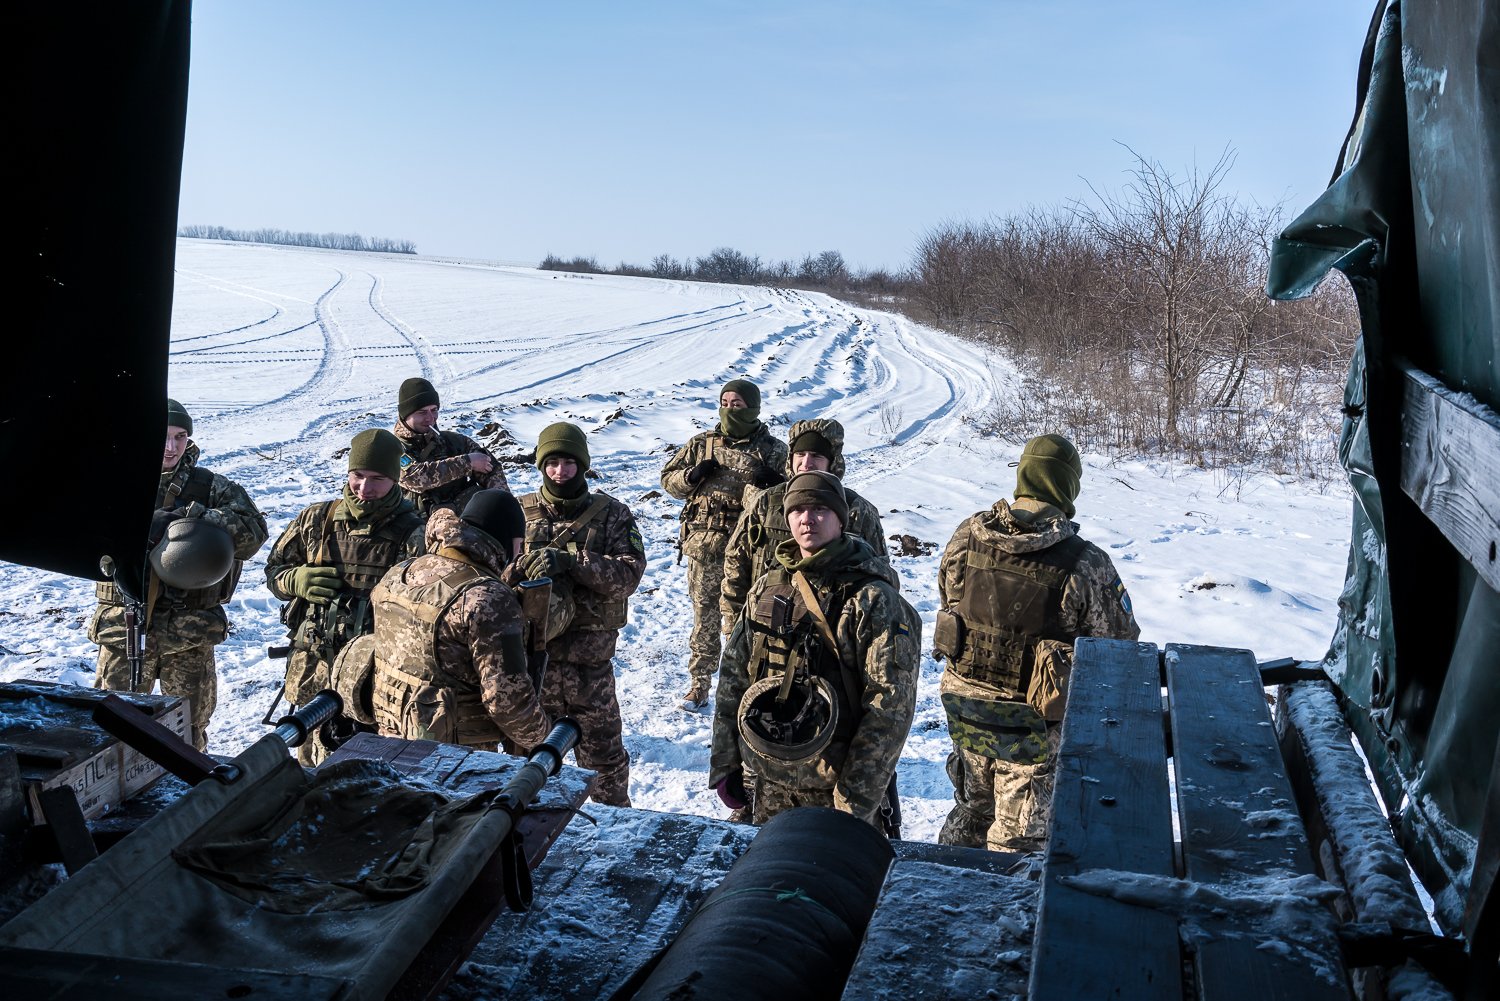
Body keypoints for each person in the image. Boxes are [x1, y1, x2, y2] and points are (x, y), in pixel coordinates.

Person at [934, 434, 1140, 853]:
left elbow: (948, 598)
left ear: (1023, 475)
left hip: (966, 710)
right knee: (1018, 840)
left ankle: (939, 882)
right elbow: (1119, 646)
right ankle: (1005, 914)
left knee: (972, 810)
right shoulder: (1086, 562)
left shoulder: (968, 536)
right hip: (1032, 725)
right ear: (1068, 487)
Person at [709, 471, 921, 830]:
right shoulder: (769, 585)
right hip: (767, 778)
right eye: (798, 510)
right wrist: (725, 761)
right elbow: (734, 673)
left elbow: (889, 711)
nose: (807, 519)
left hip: (834, 788)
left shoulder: (873, 600)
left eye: (821, 509)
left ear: (841, 518)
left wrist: (854, 800)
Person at [90, 399, 268, 750]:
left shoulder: (212, 488)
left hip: (190, 632)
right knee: (109, 730)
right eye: (164, 436)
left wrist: (193, 519)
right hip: (126, 628)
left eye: (180, 436)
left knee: (188, 733)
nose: (171, 447)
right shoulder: (115, 482)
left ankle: (189, 796)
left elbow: (253, 535)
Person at [503, 422, 646, 807]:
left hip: (591, 668)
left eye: (568, 463)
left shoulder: (613, 514)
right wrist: (521, 569)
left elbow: (628, 575)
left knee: (606, 768)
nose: (560, 472)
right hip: (534, 667)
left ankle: (617, 837)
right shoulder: (519, 512)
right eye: (552, 463)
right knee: (526, 768)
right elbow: (492, 575)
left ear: (582, 465)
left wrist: (571, 562)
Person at [264, 429, 426, 764]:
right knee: (307, 763)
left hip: (376, 675)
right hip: (315, 666)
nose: (365, 489)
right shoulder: (316, 520)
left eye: (378, 479)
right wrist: (294, 580)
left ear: (396, 479)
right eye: (358, 476)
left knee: (366, 773)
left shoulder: (415, 532)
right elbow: (274, 572)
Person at [368, 490, 551, 752]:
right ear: (512, 542)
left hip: (390, 739)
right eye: (520, 546)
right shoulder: (489, 599)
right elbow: (508, 702)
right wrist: (544, 735)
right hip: (454, 757)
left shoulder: (400, 572)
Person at [660, 379, 788, 710]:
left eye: (738, 404)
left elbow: (793, 498)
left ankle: (748, 686)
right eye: (725, 402)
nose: (730, 409)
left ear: (754, 408)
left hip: (752, 552)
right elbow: (668, 481)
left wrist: (777, 485)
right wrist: (691, 476)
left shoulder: (774, 451)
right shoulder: (701, 445)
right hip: (705, 548)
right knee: (705, 619)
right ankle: (699, 685)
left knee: (750, 621)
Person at [721, 418, 889, 627]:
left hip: (834, 633)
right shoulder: (765, 502)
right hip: (764, 628)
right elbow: (736, 565)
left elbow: (880, 578)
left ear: (832, 462)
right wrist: (734, 628)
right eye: (800, 455)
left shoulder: (858, 510)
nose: (806, 463)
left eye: (816, 456)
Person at [393, 376, 509, 519]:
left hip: (466, 521)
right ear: (405, 414)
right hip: (417, 526)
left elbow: (489, 466)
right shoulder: (392, 447)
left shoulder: (452, 441)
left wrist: (502, 503)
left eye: (434, 410)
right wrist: (467, 463)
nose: (430, 418)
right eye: (422, 412)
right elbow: (416, 478)